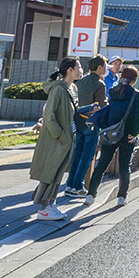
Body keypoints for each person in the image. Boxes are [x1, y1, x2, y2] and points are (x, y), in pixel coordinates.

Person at [84, 65, 139, 208]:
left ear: (121, 77)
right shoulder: (137, 95)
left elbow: (111, 111)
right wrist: (135, 134)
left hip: (111, 132)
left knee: (102, 163)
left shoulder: (113, 92)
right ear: (134, 80)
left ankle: (91, 194)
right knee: (124, 166)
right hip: (127, 134)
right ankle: (121, 197)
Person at [27, 58, 79, 220]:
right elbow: (49, 116)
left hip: (65, 139)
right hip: (57, 140)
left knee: (56, 172)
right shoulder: (59, 89)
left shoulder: (70, 88)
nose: (80, 70)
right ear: (70, 70)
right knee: (52, 172)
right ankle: (45, 208)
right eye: (78, 67)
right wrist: (61, 135)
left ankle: (50, 205)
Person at [63, 57, 108, 197]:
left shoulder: (80, 82)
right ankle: (77, 186)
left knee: (78, 154)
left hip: (79, 122)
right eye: (105, 66)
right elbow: (102, 105)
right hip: (92, 123)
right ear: (99, 68)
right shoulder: (100, 84)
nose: (106, 69)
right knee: (87, 156)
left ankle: (70, 184)